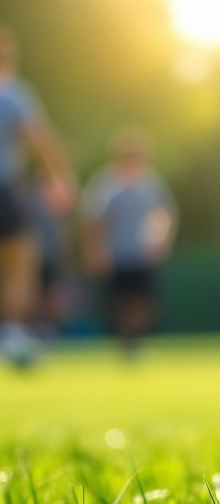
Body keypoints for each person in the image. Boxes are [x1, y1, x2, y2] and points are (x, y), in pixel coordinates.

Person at [0, 26, 76, 368]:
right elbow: (40, 139)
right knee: (21, 262)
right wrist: (57, 179)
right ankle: (12, 333)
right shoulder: (13, 93)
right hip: (4, 188)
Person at [80, 128, 177, 357]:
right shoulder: (105, 183)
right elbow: (94, 219)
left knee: (145, 299)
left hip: (142, 252)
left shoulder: (151, 182)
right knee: (120, 300)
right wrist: (96, 249)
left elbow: (165, 213)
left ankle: (138, 338)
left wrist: (161, 240)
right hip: (115, 253)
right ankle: (126, 341)